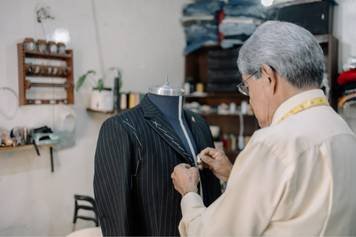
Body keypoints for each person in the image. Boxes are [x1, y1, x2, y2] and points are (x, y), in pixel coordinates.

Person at [171, 21, 356, 236]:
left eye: (247, 87)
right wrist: (235, 175)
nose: (250, 100)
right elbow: (299, 202)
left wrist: (189, 195)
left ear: (268, 76)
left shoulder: (272, 144)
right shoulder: (343, 132)